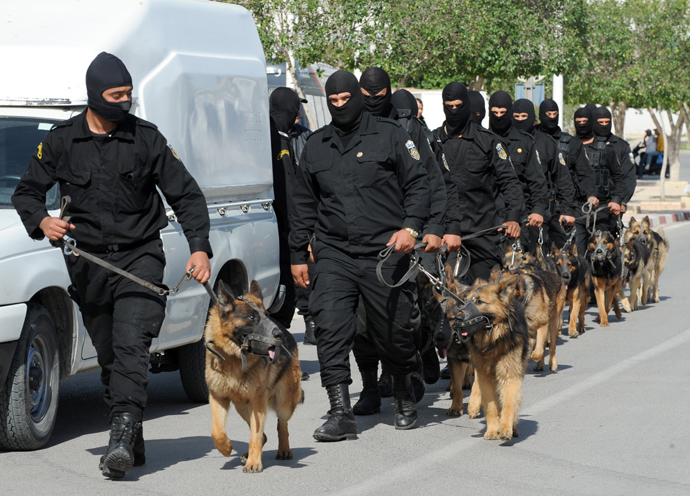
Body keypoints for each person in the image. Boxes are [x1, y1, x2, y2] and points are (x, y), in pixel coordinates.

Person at [11, 52, 211, 478]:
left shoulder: (146, 139)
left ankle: (119, 437)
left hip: (140, 257)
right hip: (90, 263)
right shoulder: (63, 140)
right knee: (108, 355)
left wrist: (199, 248)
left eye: (129, 94)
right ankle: (132, 431)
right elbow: (26, 193)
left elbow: (187, 196)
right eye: (116, 95)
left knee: (130, 346)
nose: (125, 102)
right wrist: (42, 220)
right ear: (94, 96)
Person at [289, 70, 431, 439]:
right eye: (332, 102)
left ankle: (402, 390)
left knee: (392, 332)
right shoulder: (317, 145)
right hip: (334, 252)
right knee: (332, 327)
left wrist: (412, 228)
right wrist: (297, 253)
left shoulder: (391, 135)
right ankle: (340, 410)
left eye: (344, 100)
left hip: (385, 252)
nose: (339, 106)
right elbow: (303, 202)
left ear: (356, 96)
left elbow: (419, 184)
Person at [431, 82, 523, 283]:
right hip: (443, 233)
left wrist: (513, 217)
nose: (454, 111)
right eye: (449, 106)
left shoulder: (488, 141)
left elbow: (509, 182)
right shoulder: (432, 141)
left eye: (458, 105)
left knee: (485, 300)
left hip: (482, 233)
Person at [268, 87, 316, 348]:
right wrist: (301, 233)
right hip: (281, 232)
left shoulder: (287, 137)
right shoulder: (276, 140)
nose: (298, 113)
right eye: (294, 107)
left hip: (281, 230)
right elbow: (287, 193)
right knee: (282, 293)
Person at [513, 98, 578, 250]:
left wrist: (568, 211)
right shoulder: (502, 142)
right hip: (510, 213)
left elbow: (562, 178)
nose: (521, 120)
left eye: (524, 116)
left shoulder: (546, 143)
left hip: (540, 213)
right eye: (516, 117)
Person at [488, 91, 548, 250]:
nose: (499, 116)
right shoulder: (482, 139)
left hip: (521, 217)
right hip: (488, 217)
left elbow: (537, 180)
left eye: (503, 112)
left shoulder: (525, 141)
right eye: (495, 113)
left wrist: (538, 210)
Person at [537, 99, 597, 253]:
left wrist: (590, 195)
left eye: (554, 114)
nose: (551, 117)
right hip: (537, 207)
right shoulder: (530, 139)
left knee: (569, 256)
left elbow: (585, 173)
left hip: (564, 207)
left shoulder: (571, 142)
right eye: (548, 114)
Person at [573, 107, 628, 247]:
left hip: (602, 209)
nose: (582, 124)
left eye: (585, 121)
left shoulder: (606, 149)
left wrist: (617, 200)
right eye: (578, 121)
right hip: (575, 208)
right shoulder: (568, 147)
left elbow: (620, 177)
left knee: (602, 255)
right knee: (576, 257)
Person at [591, 106, 637, 231]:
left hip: (611, 204)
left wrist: (622, 201)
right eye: (601, 123)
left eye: (607, 122)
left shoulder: (621, 145)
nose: (604, 125)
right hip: (586, 203)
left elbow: (629, 177)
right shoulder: (585, 143)